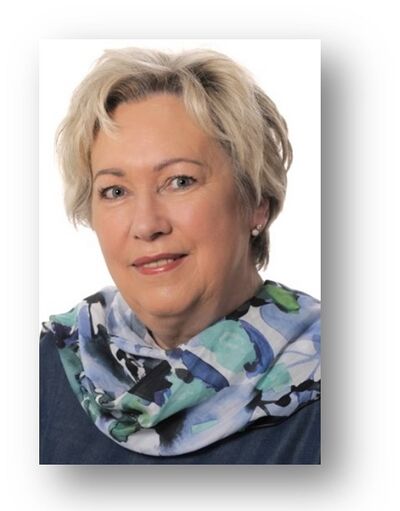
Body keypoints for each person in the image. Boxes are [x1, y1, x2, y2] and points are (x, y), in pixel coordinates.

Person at [40, 47, 320, 464]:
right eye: (115, 191)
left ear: (256, 202)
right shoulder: (51, 365)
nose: (146, 224)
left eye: (180, 181)